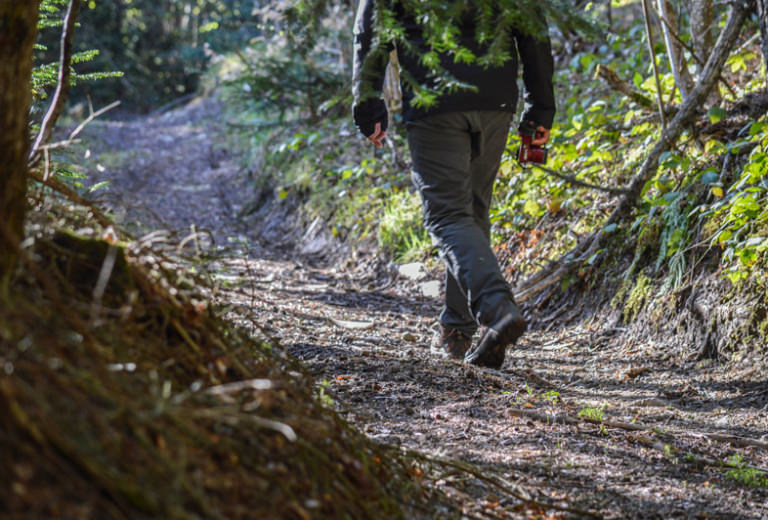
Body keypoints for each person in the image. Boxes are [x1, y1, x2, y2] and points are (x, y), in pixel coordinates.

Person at [352, 1, 556, 369]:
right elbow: (532, 25)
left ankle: (496, 309)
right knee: (471, 215)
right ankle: (457, 329)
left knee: (448, 217)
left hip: (436, 101)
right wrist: (541, 105)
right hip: (495, 100)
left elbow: (373, 28)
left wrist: (367, 99)